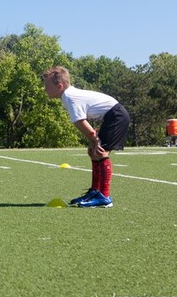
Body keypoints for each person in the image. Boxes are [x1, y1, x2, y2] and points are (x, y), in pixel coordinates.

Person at [42, 66, 130, 208]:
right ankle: (95, 192)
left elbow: (79, 121)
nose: (45, 89)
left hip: (116, 116)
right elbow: (81, 121)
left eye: (47, 86)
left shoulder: (69, 97)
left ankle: (104, 197)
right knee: (94, 153)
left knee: (100, 152)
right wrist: (92, 139)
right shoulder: (67, 96)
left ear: (59, 86)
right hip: (111, 116)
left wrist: (94, 138)